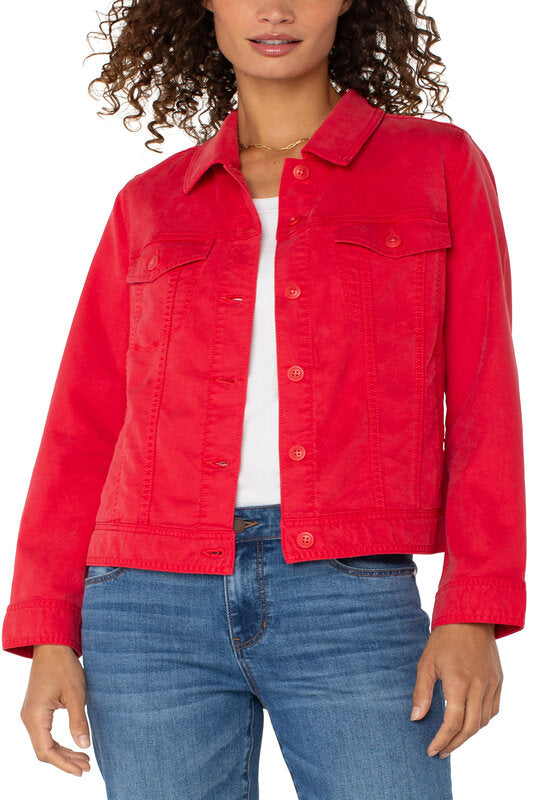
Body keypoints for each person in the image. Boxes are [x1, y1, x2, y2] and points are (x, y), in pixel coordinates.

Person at [2, 1, 526, 798]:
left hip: (348, 591)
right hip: (143, 606)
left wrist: (471, 608)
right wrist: (47, 631)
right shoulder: (150, 201)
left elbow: (485, 394)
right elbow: (85, 422)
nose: (274, 10)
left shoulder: (435, 164)